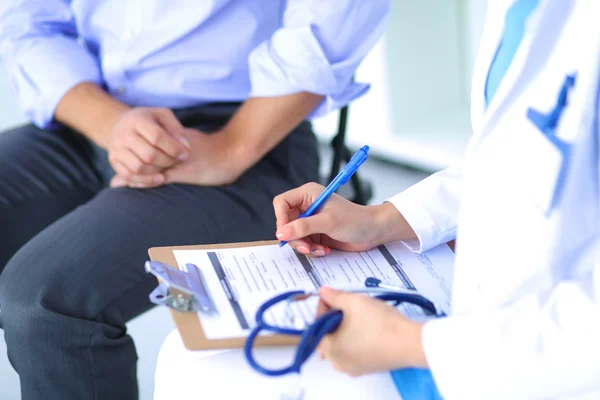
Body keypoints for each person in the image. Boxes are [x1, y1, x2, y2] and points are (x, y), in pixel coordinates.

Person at [153, 0, 600, 398]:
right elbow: (513, 160)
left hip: (532, 363)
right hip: (479, 321)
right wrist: (382, 219)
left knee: (208, 378)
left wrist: (406, 342)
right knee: (187, 351)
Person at [0, 1, 390, 399]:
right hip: (94, 112)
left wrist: (233, 148)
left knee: (45, 302)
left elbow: (335, 15)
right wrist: (112, 125)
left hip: (245, 133)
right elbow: (29, 20)